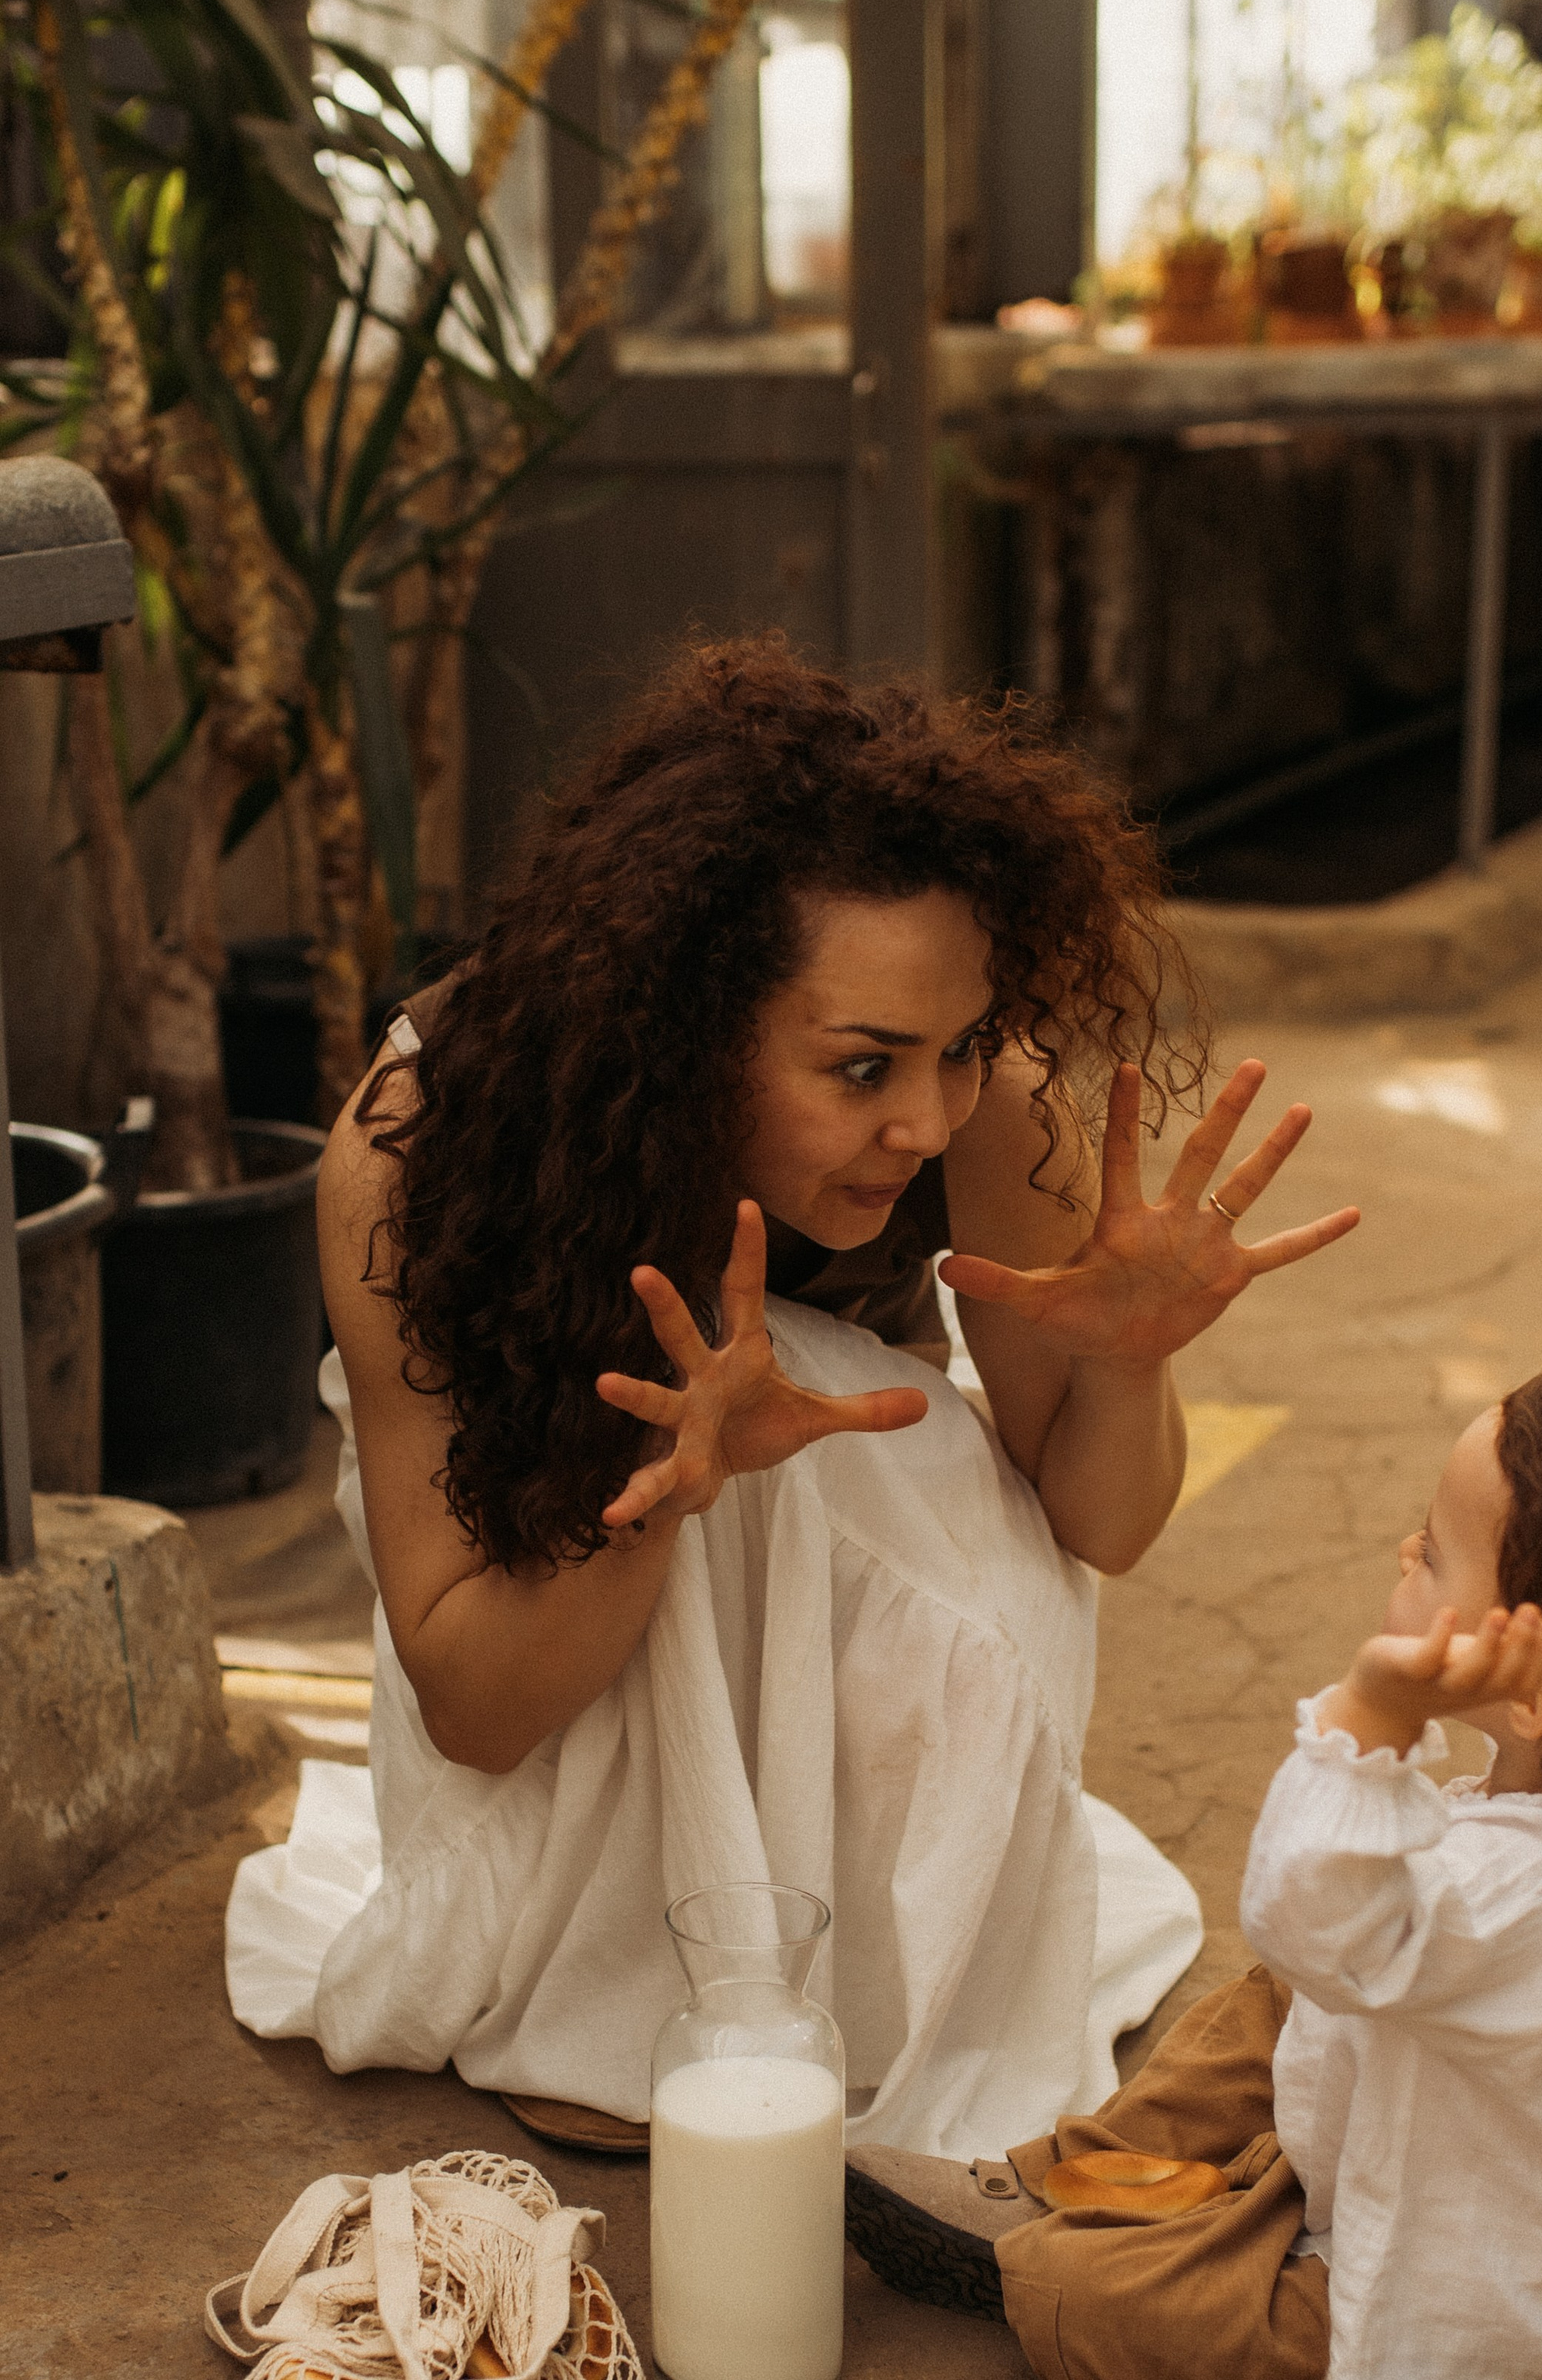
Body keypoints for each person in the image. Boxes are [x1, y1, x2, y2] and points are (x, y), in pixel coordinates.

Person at [225, 641, 1360, 2158]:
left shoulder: (983, 1102)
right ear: (681, 1028)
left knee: (834, 1419)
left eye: (952, 1049)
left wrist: (1129, 1352)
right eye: (859, 1067)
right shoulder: (415, 1147)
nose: (922, 1115)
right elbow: (474, 1707)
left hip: (835, 1578)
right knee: (728, 1417)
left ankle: (842, 1967)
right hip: (545, 1621)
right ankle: (615, 1989)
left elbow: (1097, 1526)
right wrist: (659, 1486)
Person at [844, 1362, 1542, 2380]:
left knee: (1071, 2299)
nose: (1403, 1553)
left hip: (1445, 2368)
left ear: (1534, 1696)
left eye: (1433, 1553)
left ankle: (1122, 2229)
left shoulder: (1529, 1894)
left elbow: (1297, 1908)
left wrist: (1370, 1719)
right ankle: (1100, 2177)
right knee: (1290, 1995)